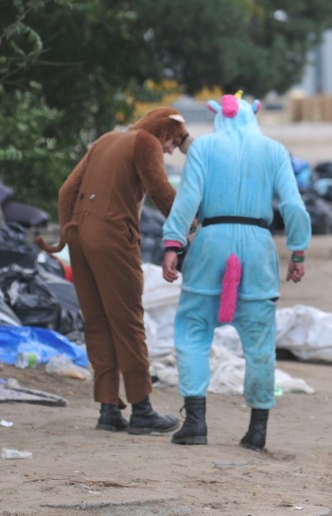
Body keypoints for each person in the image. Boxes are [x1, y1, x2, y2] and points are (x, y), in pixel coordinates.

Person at [161, 91, 311, 451]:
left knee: (194, 329)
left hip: (212, 241)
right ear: (253, 116)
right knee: (259, 341)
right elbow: (292, 203)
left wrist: (172, 243)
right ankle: (257, 430)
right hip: (258, 247)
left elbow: (188, 199)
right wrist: (298, 251)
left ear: (219, 117)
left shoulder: (203, 149)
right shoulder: (274, 150)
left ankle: (196, 422)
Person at [37, 107, 192, 434]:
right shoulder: (145, 142)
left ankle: (108, 408)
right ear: (163, 129)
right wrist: (190, 225)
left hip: (78, 236)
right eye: (173, 141)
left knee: (98, 321)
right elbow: (162, 191)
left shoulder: (107, 139)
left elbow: (66, 192)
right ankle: (142, 409)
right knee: (128, 320)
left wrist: (71, 233)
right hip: (112, 236)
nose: (170, 149)